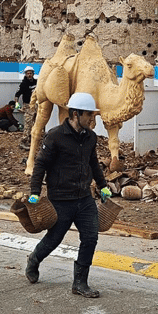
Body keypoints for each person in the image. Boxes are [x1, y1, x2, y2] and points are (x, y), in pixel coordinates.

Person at [24, 92, 112, 298]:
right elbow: (40, 164)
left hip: (84, 198)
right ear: (75, 114)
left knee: (90, 237)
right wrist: (35, 192)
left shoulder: (90, 137)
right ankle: (34, 260)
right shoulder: (55, 136)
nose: (92, 119)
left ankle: (80, 283)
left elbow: (93, 163)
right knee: (54, 238)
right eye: (89, 114)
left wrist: (103, 186)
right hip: (61, 199)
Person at [15, 66, 37, 141]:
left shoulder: (36, 82)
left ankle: (31, 138)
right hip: (28, 105)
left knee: (35, 122)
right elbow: (17, 94)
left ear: (33, 74)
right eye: (28, 73)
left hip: (36, 105)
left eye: (30, 73)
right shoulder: (24, 84)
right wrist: (17, 104)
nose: (29, 75)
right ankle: (24, 141)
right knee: (28, 123)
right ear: (25, 74)